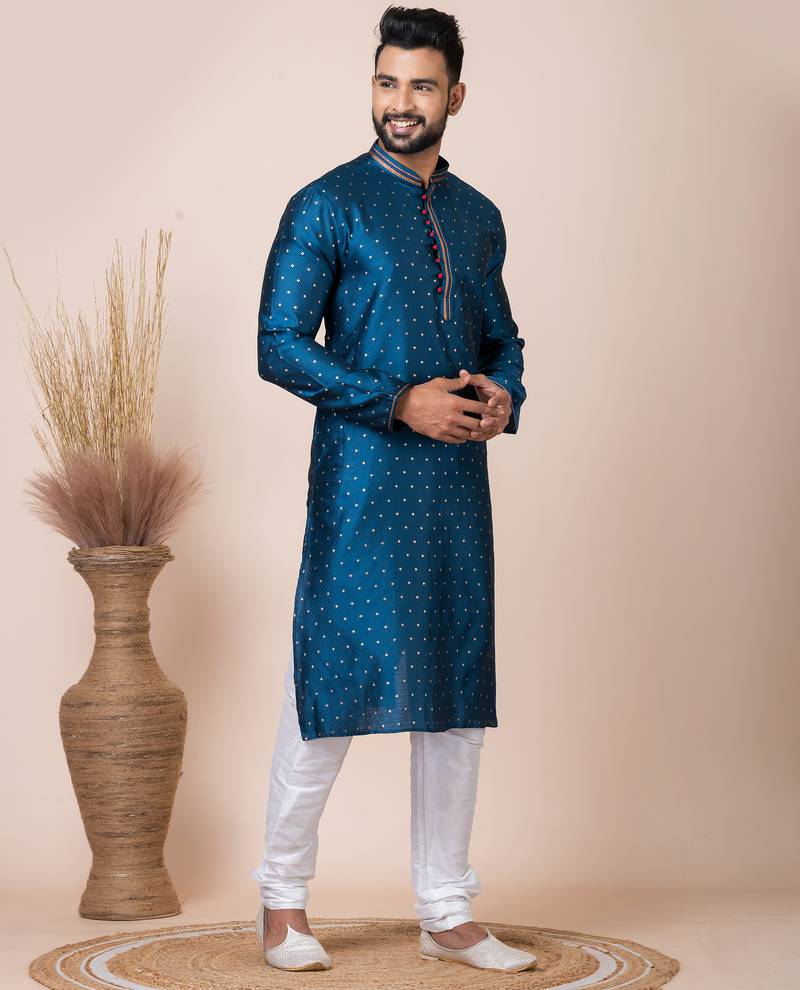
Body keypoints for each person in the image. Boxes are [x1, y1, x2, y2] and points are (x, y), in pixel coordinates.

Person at [250, 4, 535, 974]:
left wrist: (505, 394)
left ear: (455, 96)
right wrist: (396, 400)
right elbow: (277, 344)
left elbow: (501, 338)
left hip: (453, 488)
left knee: (455, 697)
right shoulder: (324, 205)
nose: (399, 102)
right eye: (385, 82)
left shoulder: (478, 216)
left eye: (419, 85)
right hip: (363, 483)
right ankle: (281, 901)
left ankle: (446, 911)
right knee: (329, 684)